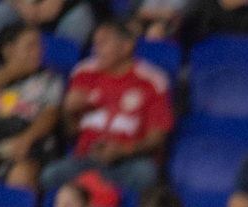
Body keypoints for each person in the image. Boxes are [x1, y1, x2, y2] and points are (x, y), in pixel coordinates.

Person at [43, 21, 171, 195]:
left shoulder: (152, 80)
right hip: (86, 161)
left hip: (129, 161)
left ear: (127, 46)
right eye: (95, 44)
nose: (96, 50)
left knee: (145, 173)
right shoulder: (83, 73)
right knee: (50, 175)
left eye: (104, 43)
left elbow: (157, 138)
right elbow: (71, 134)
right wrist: (68, 111)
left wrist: (123, 150)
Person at [0, 23, 64, 188]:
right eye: (30, 46)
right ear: (9, 50)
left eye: (39, 46)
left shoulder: (49, 80)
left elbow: (49, 117)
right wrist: (10, 72)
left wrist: (25, 140)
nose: (38, 51)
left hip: (25, 144)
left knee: (22, 173)